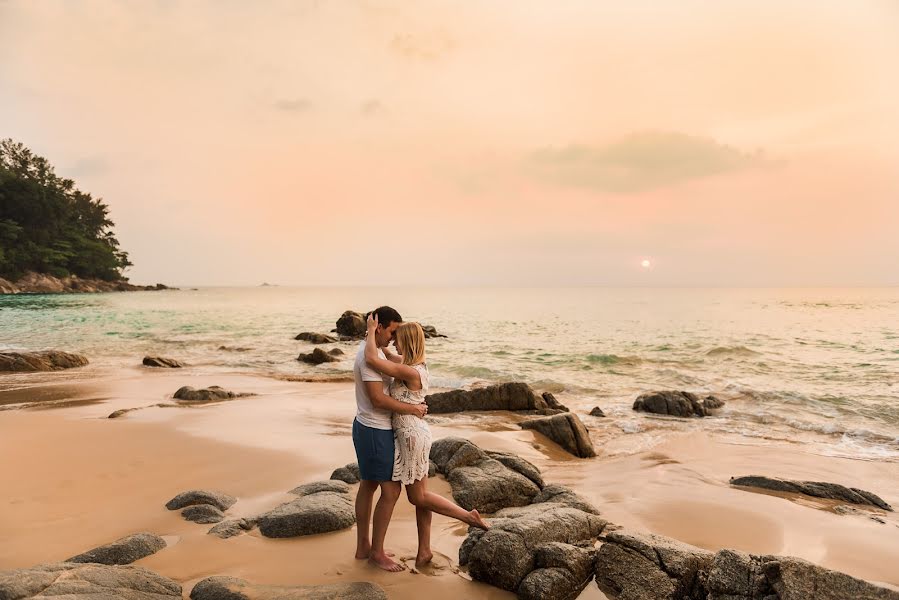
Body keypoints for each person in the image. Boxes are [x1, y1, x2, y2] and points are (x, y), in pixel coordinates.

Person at [365, 312, 489, 569]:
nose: (394, 343)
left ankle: (468, 516)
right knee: (421, 495)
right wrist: (380, 340)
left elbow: (370, 358)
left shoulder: (409, 370)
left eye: (398, 339)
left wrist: (369, 330)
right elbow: (386, 355)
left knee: (417, 497)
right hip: (415, 432)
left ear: (407, 342)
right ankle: (424, 551)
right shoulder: (414, 364)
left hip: (411, 436)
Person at [352, 306, 426, 572]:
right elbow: (378, 399)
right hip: (374, 429)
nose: (395, 337)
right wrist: (414, 409)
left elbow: (395, 360)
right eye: (392, 331)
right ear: (379, 327)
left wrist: (377, 341)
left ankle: (365, 547)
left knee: (369, 485)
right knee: (391, 490)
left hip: (372, 428)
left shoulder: (374, 350)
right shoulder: (366, 357)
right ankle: (376, 553)